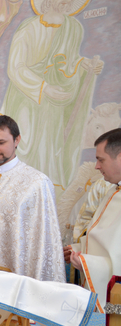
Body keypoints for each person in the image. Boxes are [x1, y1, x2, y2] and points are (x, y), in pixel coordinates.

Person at [0, 0, 104, 187]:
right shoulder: (30, 27)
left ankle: (47, 191)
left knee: (50, 148)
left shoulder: (73, 27)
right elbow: (16, 67)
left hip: (55, 103)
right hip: (28, 97)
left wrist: (82, 64)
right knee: (26, 146)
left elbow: (65, 62)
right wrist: (44, 87)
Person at [0, 115, 65, 282]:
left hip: (16, 278)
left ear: (16, 140)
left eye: (1, 143)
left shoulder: (37, 183)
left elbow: (45, 241)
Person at [67, 128, 121, 311]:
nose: (97, 166)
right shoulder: (114, 191)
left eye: (101, 159)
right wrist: (78, 250)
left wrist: (87, 263)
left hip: (117, 301)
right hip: (109, 294)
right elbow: (107, 242)